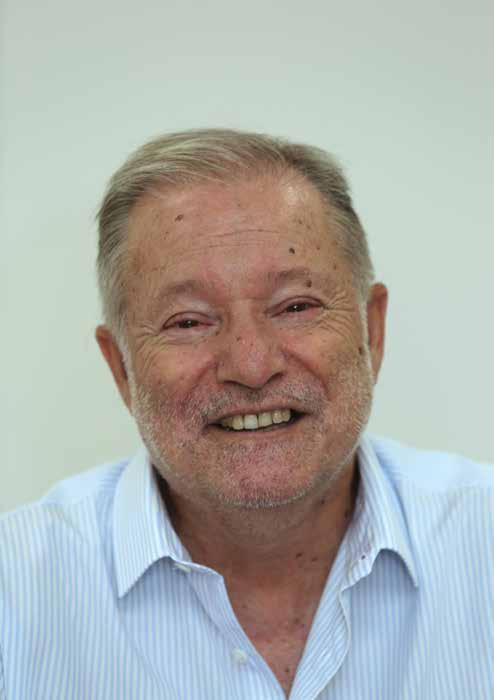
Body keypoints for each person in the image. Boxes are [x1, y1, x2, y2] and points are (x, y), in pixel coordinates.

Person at [1, 129, 493, 700]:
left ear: (372, 332)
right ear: (122, 369)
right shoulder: (16, 594)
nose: (252, 366)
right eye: (189, 321)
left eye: (296, 306)